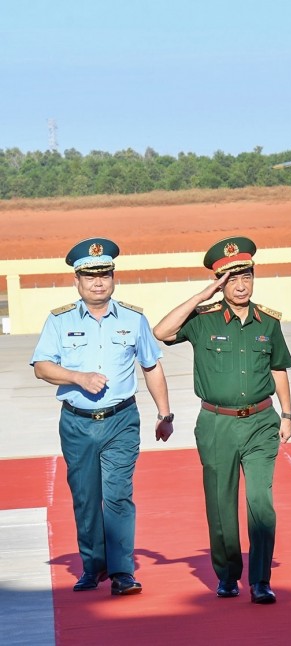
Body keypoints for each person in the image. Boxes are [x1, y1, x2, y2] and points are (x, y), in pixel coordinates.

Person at [152, 236, 291, 604]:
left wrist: (288, 413)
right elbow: (161, 332)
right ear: (220, 282)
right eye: (231, 279)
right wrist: (202, 296)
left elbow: (278, 367)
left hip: (262, 422)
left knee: (261, 503)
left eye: (246, 276)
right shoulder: (204, 320)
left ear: (254, 276)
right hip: (216, 424)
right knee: (220, 503)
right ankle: (228, 574)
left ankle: (260, 580)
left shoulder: (269, 323)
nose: (241, 284)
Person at [30, 237, 174, 596]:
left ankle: (123, 571)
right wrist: (77, 377)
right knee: (85, 496)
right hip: (77, 422)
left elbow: (151, 365)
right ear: (77, 281)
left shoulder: (134, 318)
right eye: (90, 276)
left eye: (105, 275)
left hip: (121, 420)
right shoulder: (59, 320)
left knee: (118, 495)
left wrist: (164, 412)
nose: (99, 282)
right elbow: (42, 366)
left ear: (113, 278)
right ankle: (93, 566)